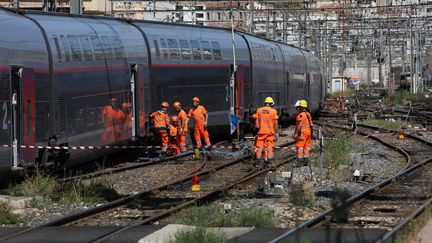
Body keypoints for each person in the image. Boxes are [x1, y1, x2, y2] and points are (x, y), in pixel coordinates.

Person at [253, 97, 279, 165]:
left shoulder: (259, 110)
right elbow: (276, 123)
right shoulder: (273, 111)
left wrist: (255, 132)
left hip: (261, 133)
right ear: (271, 104)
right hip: (270, 133)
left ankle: (258, 161)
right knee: (269, 147)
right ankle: (269, 161)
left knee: (259, 147)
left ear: (265, 103)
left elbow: (256, 124)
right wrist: (276, 133)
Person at [293, 99, 314, 166]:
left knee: (300, 147)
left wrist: (296, 133)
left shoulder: (301, 115)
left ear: (300, 107)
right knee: (306, 147)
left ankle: (299, 162)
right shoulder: (308, 114)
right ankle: (306, 161)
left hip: (303, 132)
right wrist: (312, 133)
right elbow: (311, 125)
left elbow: (300, 124)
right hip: (308, 132)